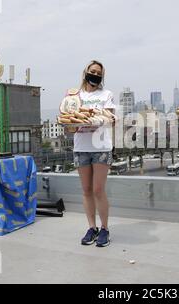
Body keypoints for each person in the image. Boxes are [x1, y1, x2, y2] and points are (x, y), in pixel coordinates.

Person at [72, 60, 116, 247]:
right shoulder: (75, 96)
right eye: (93, 72)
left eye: (99, 73)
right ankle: (92, 227)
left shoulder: (106, 95)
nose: (95, 75)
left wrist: (99, 118)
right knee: (86, 190)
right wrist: (72, 124)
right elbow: (70, 125)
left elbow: (111, 119)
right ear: (85, 72)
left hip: (100, 147)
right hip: (81, 147)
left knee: (98, 190)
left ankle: (105, 228)